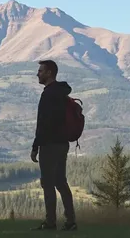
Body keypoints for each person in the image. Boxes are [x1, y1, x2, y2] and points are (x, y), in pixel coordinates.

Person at [30, 60, 77, 231]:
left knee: (47, 184)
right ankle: (70, 221)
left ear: (49, 73)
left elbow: (42, 123)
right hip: (63, 144)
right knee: (61, 182)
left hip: (49, 145)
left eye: (41, 71)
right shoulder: (62, 93)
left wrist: (35, 146)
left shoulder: (48, 95)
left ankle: (50, 222)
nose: (38, 74)